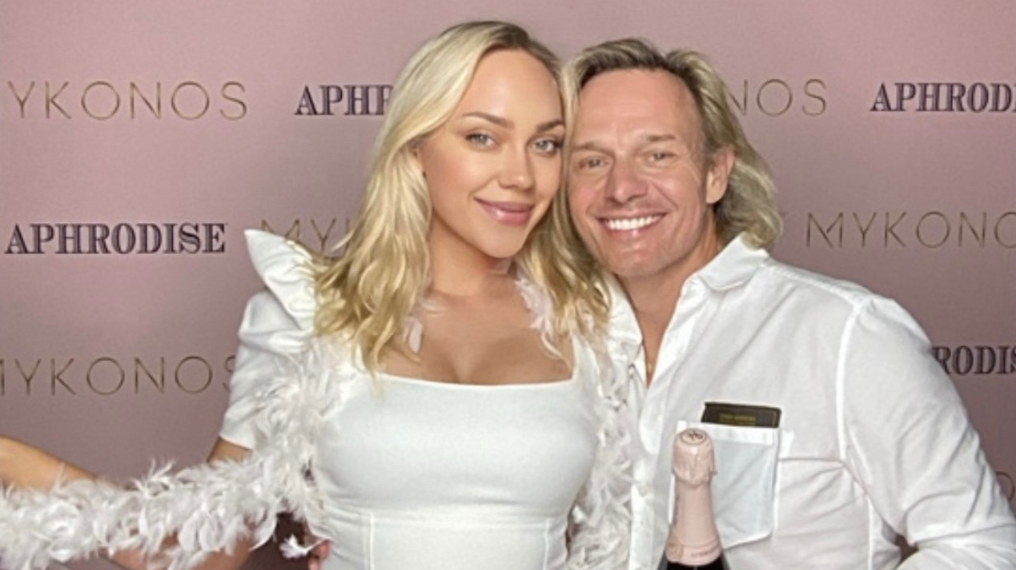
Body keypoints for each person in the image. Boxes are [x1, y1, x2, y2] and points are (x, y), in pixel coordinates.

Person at [0, 21, 632, 570]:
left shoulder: (596, 320)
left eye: (546, 143)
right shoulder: (308, 315)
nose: (522, 175)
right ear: (415, 151)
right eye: (481, 137)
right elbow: (200, 546)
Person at [563, 38, 1016, 569]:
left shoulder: (847, 333)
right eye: (592, 161)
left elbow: (981, 547)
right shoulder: (559, 344)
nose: (622, 188)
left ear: (715, 173)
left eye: (657, 154)